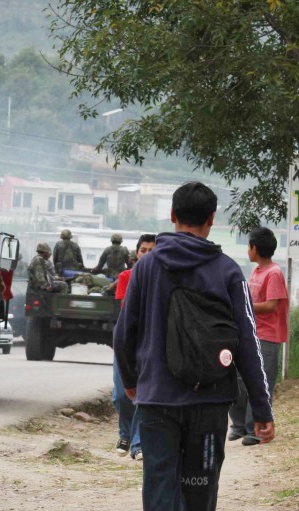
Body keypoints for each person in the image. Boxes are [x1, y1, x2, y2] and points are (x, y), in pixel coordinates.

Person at [113, 182, 274, 511]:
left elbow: (123, 333)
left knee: (159, 486)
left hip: (157, 399)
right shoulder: (228, 271)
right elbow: (247, 341)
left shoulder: (145, 267)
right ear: (212, 219)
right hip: (210, 402)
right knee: (200, 491)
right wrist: (261, 408)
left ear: (172, 215)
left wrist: (131, 382)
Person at [228, 226, 289, 446]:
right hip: (252, 332)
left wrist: (245, 307)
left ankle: (256, 429)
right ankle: (239, 425)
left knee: (261, 382)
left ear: (254, 248)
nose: (247, 250)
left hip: (268, 335)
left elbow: (272, 305)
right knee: (239, 379)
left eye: (248, 246)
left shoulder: (274, 273)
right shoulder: (256, 271)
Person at [112, 233, 156, 461]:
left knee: (143, 394)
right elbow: (126, 311)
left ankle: (138, 443)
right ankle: (125, 433)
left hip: (151, 342)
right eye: (143, 250)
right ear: (136, 254)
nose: (147, 254)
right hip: (128, 340)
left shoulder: (161, 278)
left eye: (151, 250)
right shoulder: (126, 277)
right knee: (121, 395)